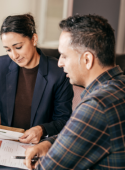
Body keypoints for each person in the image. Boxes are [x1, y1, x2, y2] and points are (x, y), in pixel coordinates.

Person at [25, 14, 125, 170]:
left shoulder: (96, 106)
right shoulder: (118, 87)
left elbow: (46, 168)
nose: (59, 63)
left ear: (87, 59)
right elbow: (87, 134)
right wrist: (49, 143)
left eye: (64, 56)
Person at [0, 14, 73, 144]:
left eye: (18, 47)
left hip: (40, 144)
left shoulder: (58, 71)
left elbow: (63, 119)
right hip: (8, 142)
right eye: (8, 49)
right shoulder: (2, 64)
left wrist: (42, 129)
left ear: (34, 39)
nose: (14, 55)